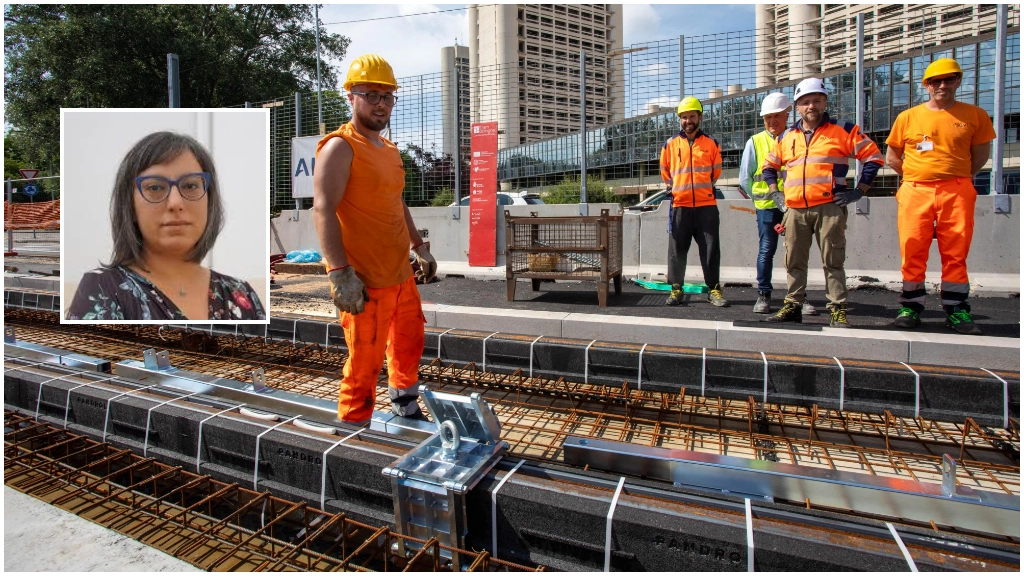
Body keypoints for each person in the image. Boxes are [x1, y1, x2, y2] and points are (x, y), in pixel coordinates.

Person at [313, 54, 437, 426]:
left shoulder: (391, 150)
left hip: (400, 275)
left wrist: (419, 246)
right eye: (371, 94)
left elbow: (396, 203)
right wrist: (339, 273)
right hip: (364, 282)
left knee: (408, 346)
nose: (380, 104)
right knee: (364, 364)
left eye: (387, 97)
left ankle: (405, 405)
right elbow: (323, 209)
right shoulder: (340, 147)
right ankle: (353, 433)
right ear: (351, 96)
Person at [67, 132, 265, 321]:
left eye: (190, 186)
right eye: (155, 187)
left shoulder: (241, 294)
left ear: (209, 200)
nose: (175, 203)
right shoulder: (103, 289)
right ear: (129, 205)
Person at [761, 78, 884, 327]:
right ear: (797, 107)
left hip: (829, 207)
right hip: (795, 209)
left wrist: (858, 191)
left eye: (816, 100)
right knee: (794, 260)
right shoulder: (787, 136)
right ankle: (793, 305)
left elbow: (873, 157)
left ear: (825, 102)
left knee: (833, 260)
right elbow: (769, 167)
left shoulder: (844, 130)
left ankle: (837, 308)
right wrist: (776, 193)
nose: (811, 106)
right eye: (805, 102)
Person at [886, 58, 995, 335]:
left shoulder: (975, 115)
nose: (942, 85)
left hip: (957, 190)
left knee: (956, 251)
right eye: (936, 81)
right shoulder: (907, 117)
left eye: (949, 79)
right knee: (912, 249)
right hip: (915, 190)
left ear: (959, 80)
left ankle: (956, 310)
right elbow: (893, 158)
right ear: (927, 85)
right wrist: (917, 175)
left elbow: (981, 155)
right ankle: (910, 306)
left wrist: (955, 176)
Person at [739, 93, 816, 317]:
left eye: (777, 116)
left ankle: (799, 298)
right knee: (766, 251)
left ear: (787, 114)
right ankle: (764, 294)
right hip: (767, 207)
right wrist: (761, 201)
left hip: (794, 206)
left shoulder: (798, 138)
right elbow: (746, 178)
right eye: (767, 117)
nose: (772, 121)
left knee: (796, 253)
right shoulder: (755, 142)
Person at [660, 96, 728, 307]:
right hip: (680, 205)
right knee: (677, 250)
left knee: (710, 249)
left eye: (691, 116)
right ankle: (676, 289)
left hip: (706, 206)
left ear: (699, 117)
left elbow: (715, 173)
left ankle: (714, 289)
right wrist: (679, 190)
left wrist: (701, 190)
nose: (688, 121)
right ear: (680, 119)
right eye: (684, 117)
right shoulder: (670, 145)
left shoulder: (711, 144)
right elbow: (665, 172)